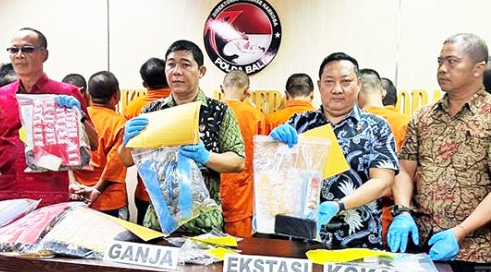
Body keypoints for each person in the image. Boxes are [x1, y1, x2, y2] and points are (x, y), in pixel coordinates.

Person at [388, 33, 491, 272]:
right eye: (439, 61)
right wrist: (402, 211)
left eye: (452, 61)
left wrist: (461, 231)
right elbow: (404, 170)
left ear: (478, 68)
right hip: (423, 247)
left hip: (478, 254)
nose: (442, 69)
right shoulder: (423, 117)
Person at [270, 52, 398, 249]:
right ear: (319, 85)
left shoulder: (377, 127)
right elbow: (275, 175)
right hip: (302, 239)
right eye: (329, 82)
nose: (337, 89)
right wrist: (273, 145)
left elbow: (383, 182)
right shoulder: (299, 123)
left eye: (346, 81)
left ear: (359, 84)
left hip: (358, 241)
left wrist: (339, 205)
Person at [119, 40, 245, 235]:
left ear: (201, 71)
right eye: (171, 64)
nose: (176, 71)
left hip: (204, 223)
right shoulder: (152, 111)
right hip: (159, 223)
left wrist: (207, 157)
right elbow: (127, 160)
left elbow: (237, 161)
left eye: (185, 65)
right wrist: (126, 141)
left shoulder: (219, 111)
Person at [0, 27, 98, 206]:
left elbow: (93, 144)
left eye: (27, 49)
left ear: (44, 54)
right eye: (14, 50)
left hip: (49, 191)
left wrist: (79, 117)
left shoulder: (66, 93)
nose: (19, 55)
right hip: (5, 190)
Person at [358, 68, 410, 245]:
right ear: (383, 92)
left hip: (355, 217)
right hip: (395, 216)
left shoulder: (350, 125)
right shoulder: (405, 122)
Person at [71, 71, 128, 219]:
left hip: (78, 195)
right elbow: (114, 164)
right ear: (117, 95)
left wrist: (74, 184)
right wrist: (96, 189)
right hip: (109, 199)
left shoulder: (78, 118)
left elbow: (67, 156)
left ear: (88, 95)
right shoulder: (119, 123)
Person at [123, 57, 171, 225]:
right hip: (177, 191)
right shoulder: (182, 104)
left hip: (145, 190)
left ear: (144, 84)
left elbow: (127, 154)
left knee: (147, 236)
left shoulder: (134, 107)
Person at [220, 70, 265, 237]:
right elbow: (263, 161)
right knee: (238, 248)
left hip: (209, 191)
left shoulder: (209, 111)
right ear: (246, 92)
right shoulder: (256, 116)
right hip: (240, 195)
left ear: (222, 88)